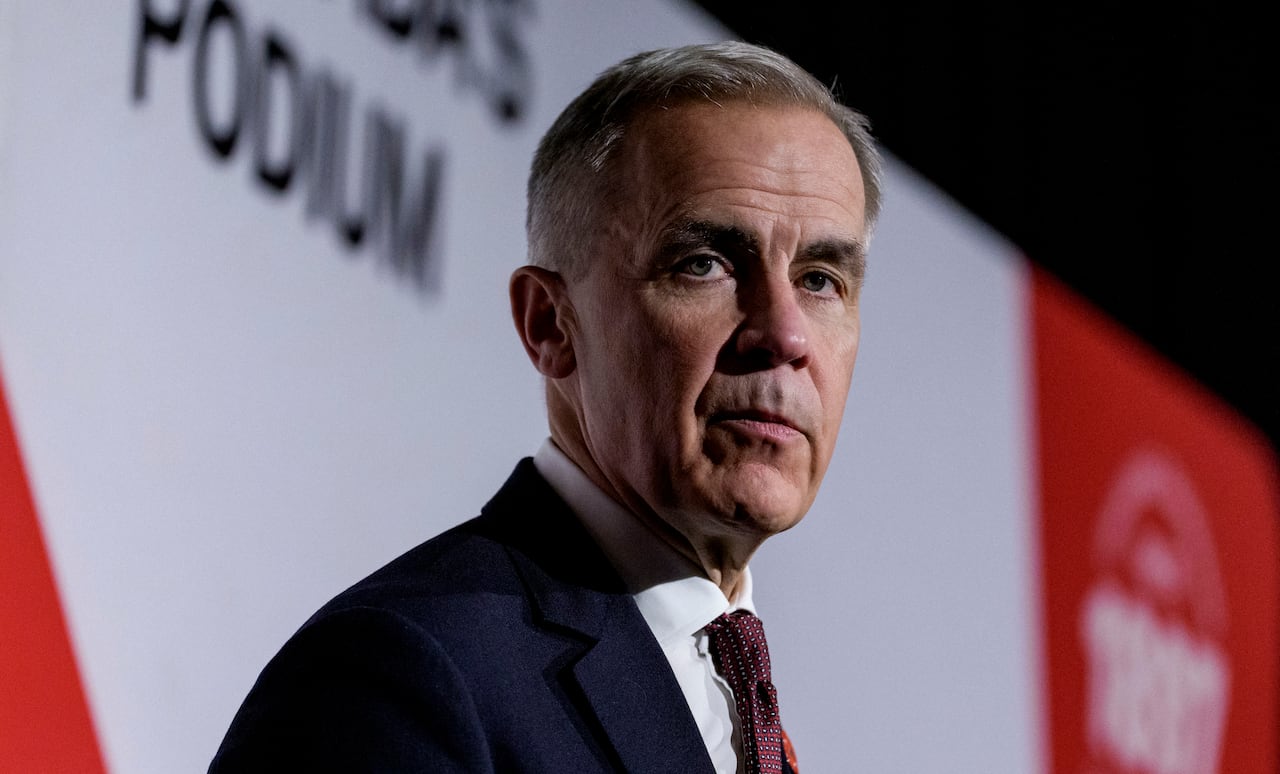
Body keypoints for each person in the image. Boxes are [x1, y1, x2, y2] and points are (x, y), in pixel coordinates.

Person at [209, 39, 882, 774]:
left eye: (820, 280)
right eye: (705, 264)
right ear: (550, 326)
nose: (785, 335)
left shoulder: (737, 697)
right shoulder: (400, 677)